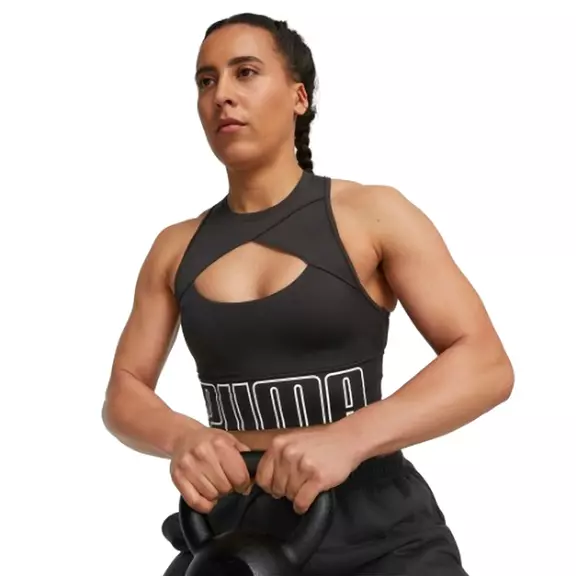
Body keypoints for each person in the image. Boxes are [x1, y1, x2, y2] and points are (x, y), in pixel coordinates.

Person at [102, 12, 514, 576]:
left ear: (299, 97)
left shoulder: (371, 214)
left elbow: (486, 364)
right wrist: (184, 437)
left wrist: (348, 439)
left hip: (381, 533)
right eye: (206, 80)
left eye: (246, 72)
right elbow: (123, 391)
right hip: (236, 533)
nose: (222, 95)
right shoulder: (175, 247)